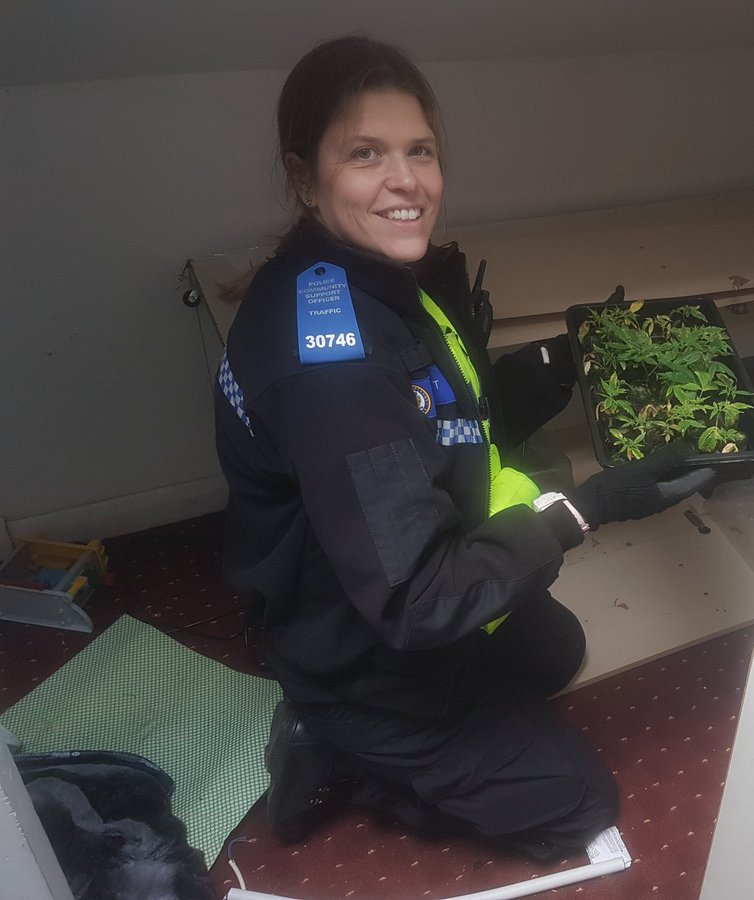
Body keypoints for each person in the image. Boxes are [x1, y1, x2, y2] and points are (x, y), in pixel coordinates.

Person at [213, 35, 713, 858]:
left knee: (556, 653)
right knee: (576, 803)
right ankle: (343, 743)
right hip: (368, 649)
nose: (406, 181)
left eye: (421, 152)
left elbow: (430, 421)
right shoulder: (331, 364)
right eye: (365, 154)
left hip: (393, 565)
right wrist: (585, 509)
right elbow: (418, 600)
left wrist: (544, 373)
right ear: (304, 177)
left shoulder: (372, 279)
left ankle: (397, 730)